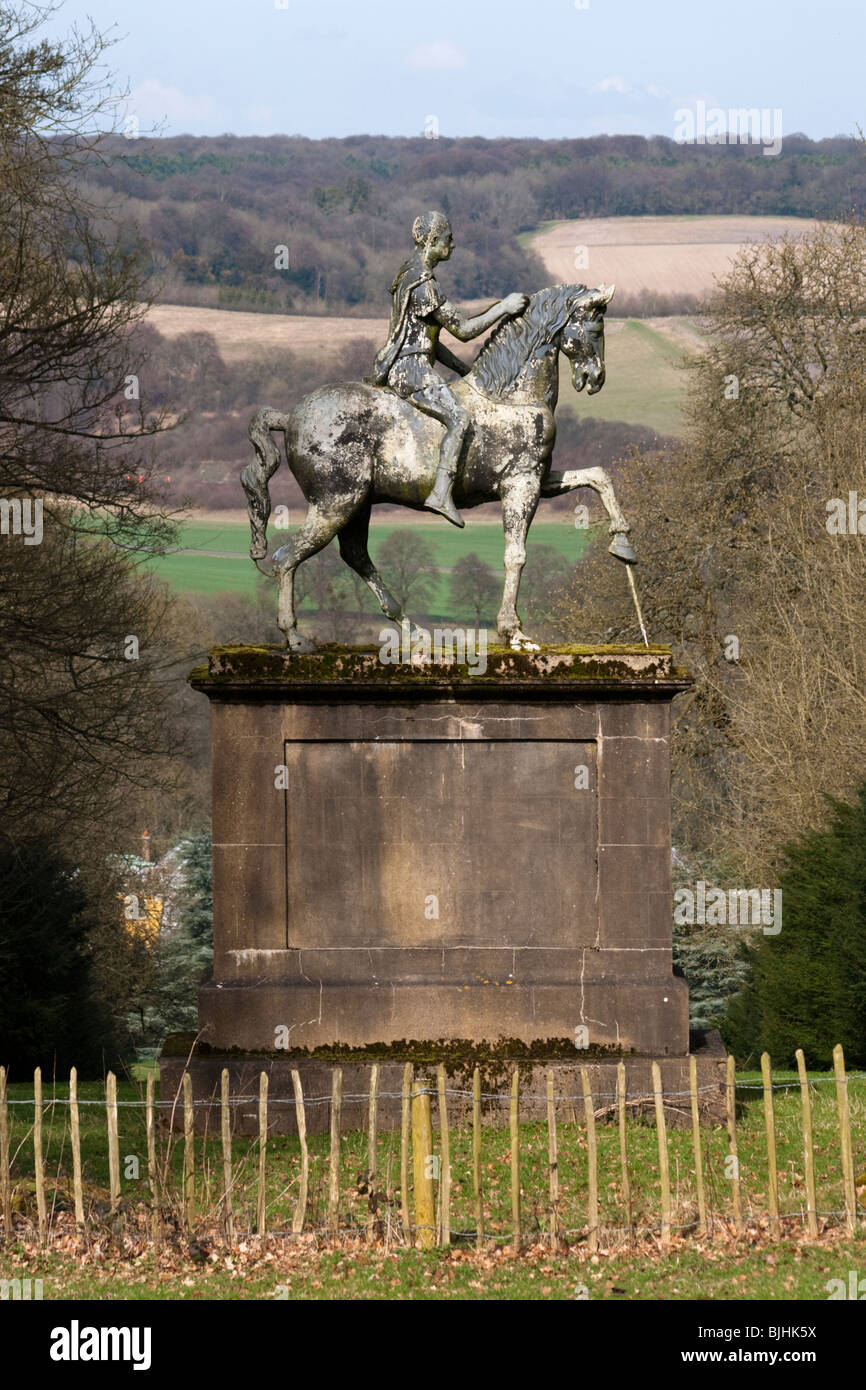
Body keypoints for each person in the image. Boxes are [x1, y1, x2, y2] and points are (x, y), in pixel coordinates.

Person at [372, 211, 528, 527]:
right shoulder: (423, 285)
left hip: (412, 364)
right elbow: (465, 329)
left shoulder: (408, 274)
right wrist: (503, 307)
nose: (453, 245)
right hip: (411, 371)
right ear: (432, 241)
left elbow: (428, 340)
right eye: (448, 239)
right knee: (459, 417)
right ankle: (441, 492)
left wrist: (462, 369)